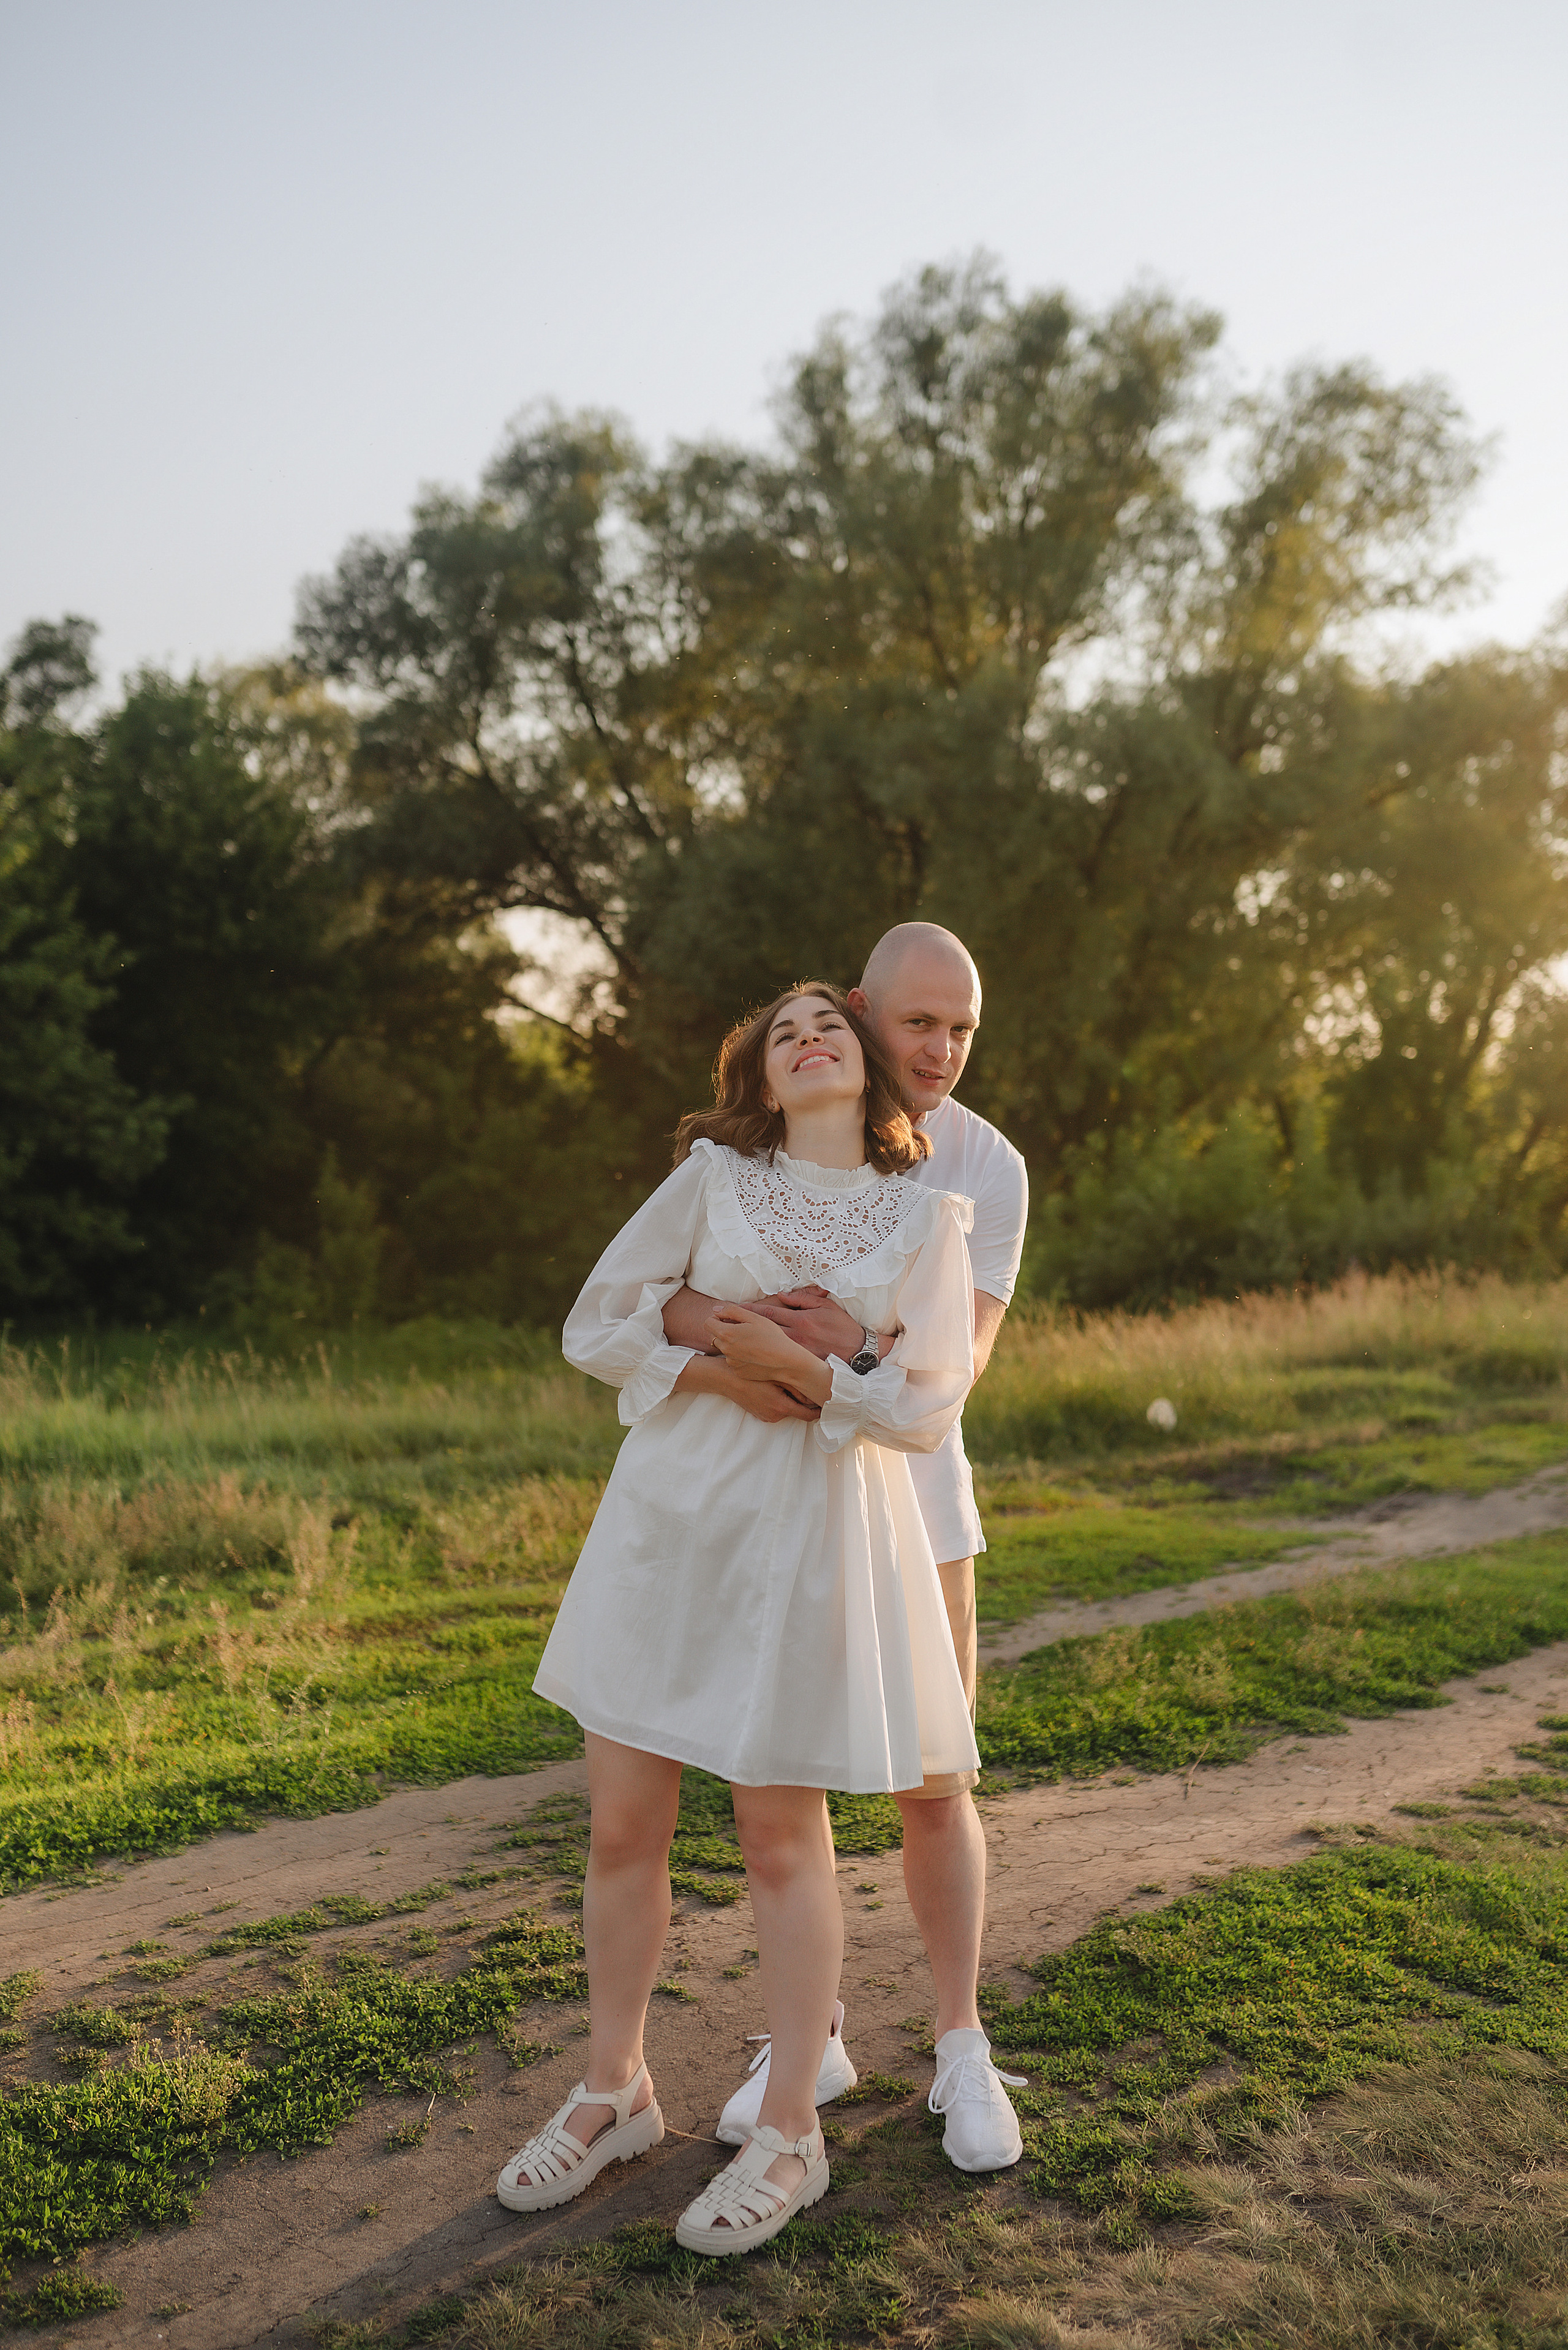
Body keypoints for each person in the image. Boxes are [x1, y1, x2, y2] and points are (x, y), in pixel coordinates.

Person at [496, 981, 980, 2256]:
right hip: (667, 1524)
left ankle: (788, 2132)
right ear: (761, 1078)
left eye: (829, 1024)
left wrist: (812, 1373)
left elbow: (924, 1406)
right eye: (782, 1032)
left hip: (810, 1541)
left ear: (869, 1067)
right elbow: (597, 1318)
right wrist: (717, 1355)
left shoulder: (930, 1214)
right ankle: (617, 2090)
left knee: (778, 1835)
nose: (808, 1036)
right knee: (620, 1823)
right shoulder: (711, 1177)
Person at [663, 924, 1029, 2172]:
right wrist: (769, 1347)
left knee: (935, 1777)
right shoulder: (770, 1140)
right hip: (787, 1499)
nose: (939, 1050)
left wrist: (842, 1350)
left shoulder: (986, 1164)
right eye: (918, 1023)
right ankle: (807, 2031)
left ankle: (960, 2041)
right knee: (790, 1774)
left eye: (962, 1029)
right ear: (862, 1011)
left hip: (918, 1499)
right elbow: (687, 1297)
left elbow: (953, 1370)